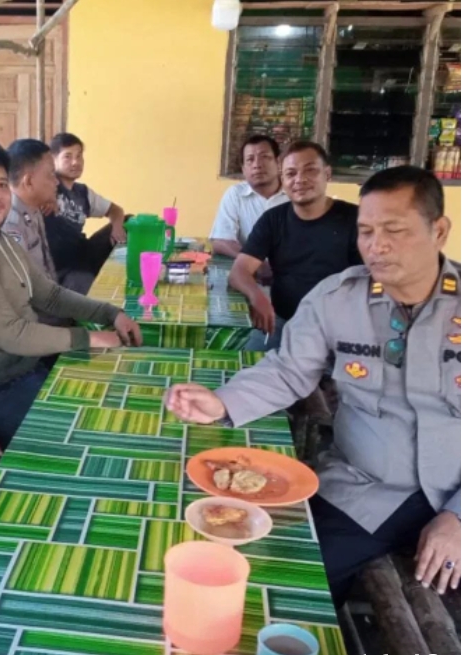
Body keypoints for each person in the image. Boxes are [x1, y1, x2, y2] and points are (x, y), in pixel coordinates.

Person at [165, 166, 461, 607]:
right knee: (288, 583)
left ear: (438, 231)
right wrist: (221, 403)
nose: (376, 245)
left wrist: (456, 517)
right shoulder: (337, 299)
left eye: (394, 230)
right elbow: (289, 370)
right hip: (366, 489)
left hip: (455, 486)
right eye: (366, 231)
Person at [0, 138, 143, 448]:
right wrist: (90, 338)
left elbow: (48, 295)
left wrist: (110, 314)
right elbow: (12, 334)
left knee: (118, 393)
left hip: (25, 371)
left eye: (2, 185)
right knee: (94, 432)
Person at [230, 140, 362, 351]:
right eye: (291, 174)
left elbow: (374, 280)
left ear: (327, 174)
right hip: (282, 323)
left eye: (310, 170)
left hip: (339, 330)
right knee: (243, 361)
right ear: (282, 179)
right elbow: (239, 271)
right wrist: (257, 297)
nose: (300, 179)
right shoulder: (273, 220)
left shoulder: (356, 220)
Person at [44, 133, 128, 293]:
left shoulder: (83, 192)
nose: (75, 162)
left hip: (82, 252)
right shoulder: (45, 186)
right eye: (67, 156)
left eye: (79, 156)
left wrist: (117, 228)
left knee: (128, 221)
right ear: (53, 160)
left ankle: (130, 275)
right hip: (61, 265)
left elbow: (115, 210)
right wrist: (45, 196)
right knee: (85, 287)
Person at [210, 134, 287, 261]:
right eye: (250, 159)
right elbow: (221, 241)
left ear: (278, 163)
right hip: (249, 269)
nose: (257, 165)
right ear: (243, 169)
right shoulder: (236, 195)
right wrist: (255, 262)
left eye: (264, 157)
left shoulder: (294, 195)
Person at [1, 138, 60, 282]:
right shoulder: (11, 222)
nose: (57, 181)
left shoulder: (33, 207)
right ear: (28, 182)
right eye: (51, 174)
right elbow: (23, 284)